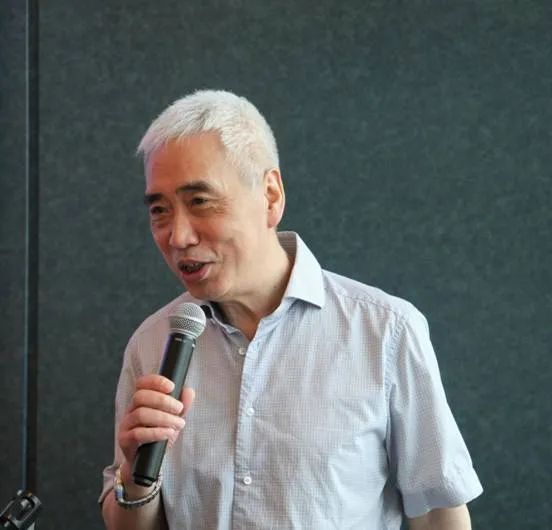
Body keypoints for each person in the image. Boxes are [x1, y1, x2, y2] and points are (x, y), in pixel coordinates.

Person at [100, 90, 483, 530]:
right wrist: (136, 477)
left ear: (270, 195)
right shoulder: (152, 344)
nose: (178, 236)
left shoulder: (386, 331)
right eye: (159, 210)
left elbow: (438, 512)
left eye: (200, 201)